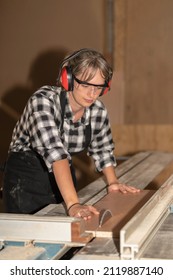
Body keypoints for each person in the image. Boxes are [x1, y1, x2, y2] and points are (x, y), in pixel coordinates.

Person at [3, 48, 140, 219]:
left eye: (98, 87)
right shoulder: (42, 101)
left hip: (62, 173)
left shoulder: (97, 111)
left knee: (70, 228)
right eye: (85, 85)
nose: (92, 94)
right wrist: (74, 204)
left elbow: (102, 149)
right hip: (26, 177)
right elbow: (56, 154)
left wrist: (113, 182)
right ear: (67, 79)